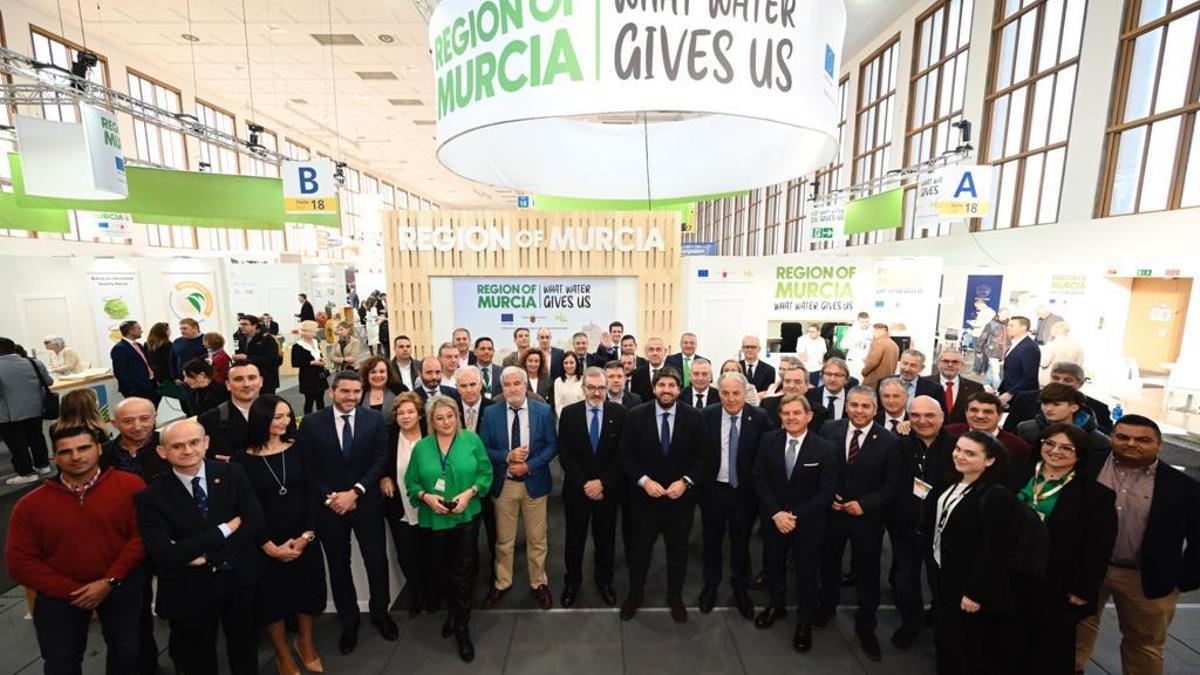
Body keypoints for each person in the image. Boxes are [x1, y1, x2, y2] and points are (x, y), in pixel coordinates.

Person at [6, 425, 147, 675]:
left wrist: (109, 581)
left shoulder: (130, 486)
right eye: (66, 451)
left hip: (120, 587)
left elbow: (140, 537)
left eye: (83, 448)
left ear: (98, 449)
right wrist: (73, 592)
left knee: (127, 653)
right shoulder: (29, 505)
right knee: (61, 664)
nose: (76, 456)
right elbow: (19, 562)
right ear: (54, 457)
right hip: (60, 598)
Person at [134, 418, 266, 675]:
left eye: (194, 442)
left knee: (245, 647)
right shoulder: (151, 497)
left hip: (238, 578)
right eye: (177, 446)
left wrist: (208, 555)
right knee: (197, 656)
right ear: (162, 452)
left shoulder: (233, 473)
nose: (187, 450)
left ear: (206, 443)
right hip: (189, 589)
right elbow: (167, 554)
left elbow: (255, 521)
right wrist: (225, 529)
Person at [1075, 414, 1200, 675]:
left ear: (1159, 444)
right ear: (1112, 438)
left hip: (1145, 579)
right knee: (1073, 634)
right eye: (1122, 437)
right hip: (1086, 571)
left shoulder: (1183, 487)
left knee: (1144, 646)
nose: (1131, 443)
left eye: (1142, 439)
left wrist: (1181, 580)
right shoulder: (1086, 467)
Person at [296, 371, 396, 654]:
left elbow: (380, 460)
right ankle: (349, 622)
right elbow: (308, 466)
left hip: (366, 504)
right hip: (329, 508)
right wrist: (332, 498)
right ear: (332, 392)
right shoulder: (312, 423)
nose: (351, 397)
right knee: (339, 567)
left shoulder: (374, 420)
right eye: (345, 391)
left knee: (376, 561)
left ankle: (381, 614)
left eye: (356, 392)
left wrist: (356, 492)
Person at [1012, 423, 1116, 675]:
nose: (1055, 451)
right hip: (1011, 576)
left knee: (1050, 650)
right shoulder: (1014, 473)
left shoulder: (1095, 495)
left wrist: (1083, 590)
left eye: (1066, 448)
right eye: (1049, 443)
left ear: (1079, 454)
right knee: (1009, 644)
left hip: (1055, 583)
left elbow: (1097, 548)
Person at [235, 396, 325, 675]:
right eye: (278, 417)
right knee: (272, 602)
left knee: (306, 594)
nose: (286, 422)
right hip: (266, 543)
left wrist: (307, 534)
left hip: (303, 536)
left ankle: (305, 642)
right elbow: (245, 507)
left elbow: (313, 492)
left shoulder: (299, 448)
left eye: (288, 416)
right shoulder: (242, 459)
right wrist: (269, 547)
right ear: (262, 419)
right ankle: (282, 654)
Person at [619, 367, 715, 623]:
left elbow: (705, 457)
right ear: (653, 388)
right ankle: (635, 594)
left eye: (672, 385)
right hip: (643, 500)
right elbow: (626, 456)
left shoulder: (694, 417)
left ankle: (675, 596)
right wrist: (644, 481)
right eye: (661, 385)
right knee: (639, 552)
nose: (666, 390)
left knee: (678, 551)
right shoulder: (636, 415)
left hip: (679, 501)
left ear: (679, 389)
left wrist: (686, 482)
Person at [404, 396, 493, 663]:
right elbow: (411, 482)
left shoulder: (472, 441)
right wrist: (426, 497)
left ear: (458, 416)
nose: (446, 422)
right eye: (439, 418)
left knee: (463, 571)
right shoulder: (422, 447)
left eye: (450, 416)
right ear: (431, 421)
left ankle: (462, 627)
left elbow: (485, 473)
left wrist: (469, 493)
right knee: (441, 570)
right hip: (435, 519)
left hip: (466, 515)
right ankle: (453, 614)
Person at [816, 386, 902, 661]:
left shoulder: (889, 441)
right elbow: (817, 467)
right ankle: (826, 607)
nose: (859, 411)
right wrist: (827, 497)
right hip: (832, 513)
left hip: (867, 518)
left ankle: (867, 626)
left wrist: (864, 504)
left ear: (875, 410)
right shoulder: (829, 429)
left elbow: (892, 486)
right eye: (854, 405)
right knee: (828, 563)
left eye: (865, 406)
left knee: (867, 572)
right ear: (847, 406)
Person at [929, 431, 1023, 675]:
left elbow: (995, 551)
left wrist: (975, 592)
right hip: (945, 573)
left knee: (966, 646)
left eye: (970, 453)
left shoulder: (996, 496)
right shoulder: (951, 480)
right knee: (947, 638)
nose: (959, 456)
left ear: (990, 460)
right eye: (958, 449)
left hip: (968, 584)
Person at [752, 394, 838, 652]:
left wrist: (794, 516)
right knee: (774, 565)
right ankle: (776, 606)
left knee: (807, 572)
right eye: (786, 413)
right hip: (774, 519)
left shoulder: (825, 449)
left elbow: (826, 492)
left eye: (796, 413)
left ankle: (804, 620)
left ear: (809, 416)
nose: (790, 417)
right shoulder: (768, 441)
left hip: (808, 523)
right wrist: (776, 513)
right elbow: (759, 478)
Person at [479, 366, 558, 609]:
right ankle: (502, 582)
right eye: (507, 385)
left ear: (525, 386)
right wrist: (507, 456)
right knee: (504, 540)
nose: (512, 388)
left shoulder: (543, 411)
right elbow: (484, 447)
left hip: (534, 483)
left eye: (517, 384)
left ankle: (539, 582)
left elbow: (551, 446)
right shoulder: (490, 413)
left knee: (537, 539)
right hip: (505, 486)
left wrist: (529, 465)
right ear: (501, 388)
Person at [698, 372, 773, 619]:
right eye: (725, 393)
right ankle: (711, 585)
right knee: (711, 542)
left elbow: (767, 455)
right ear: (718, 393)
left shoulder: (760, 418)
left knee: (741, 543)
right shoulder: (706, 416)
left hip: (744, 493)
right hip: (713, 491)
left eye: (736, 393)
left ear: (745, 393)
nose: (730, 399)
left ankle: (740, 588)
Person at [101, 396, 168, 673]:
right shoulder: (102, 455)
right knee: (133, 614)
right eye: (128, 420)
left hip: (168, 538)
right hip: (125, 542)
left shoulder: (171, 445)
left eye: (145, 418)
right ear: (114, 423)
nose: (138, 426)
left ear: (155, 418)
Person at [558, 367, 626, 607]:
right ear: (583, 388)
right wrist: (586, 483)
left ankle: (604, 581)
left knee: (605, 539)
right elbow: (564, 454)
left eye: (601, 388)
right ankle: (572, 583)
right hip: (577, 490)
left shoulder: (620, 413)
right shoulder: (569, 414)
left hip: (607, 491)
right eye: (592, 388)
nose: (597, 393)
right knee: (574, 540)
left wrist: (602, 483)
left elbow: (622, 455)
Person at [900, 396, 956, 633]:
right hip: (907, 527)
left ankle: (940, 623)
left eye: (929, 415)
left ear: (942, 417)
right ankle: (910, 625)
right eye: (915, 416)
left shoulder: (958, 447)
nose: (922, 421)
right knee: (905, 581)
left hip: (944, 530)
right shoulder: (900, 444)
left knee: (941, 582)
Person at [381, 392, 432, 616]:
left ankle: (434, 593)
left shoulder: (431, 434)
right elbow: (381, 461)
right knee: (407, 554)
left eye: (410, 411)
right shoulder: (390, 436)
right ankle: (417, 592)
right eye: (400, 413)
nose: (405, 416)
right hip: (400, 507)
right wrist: (384, 477)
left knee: (431, 552)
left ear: (420, 414)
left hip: (431, 507)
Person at [1004, 361, 1113, 435]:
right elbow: (1009, 431)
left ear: (1080, 384)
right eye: (1056, 378)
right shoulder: (1026, 399)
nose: (1060, 383)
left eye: (1067, 380)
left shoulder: (1098, 408)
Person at [0, 337, 53, 484]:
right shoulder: (33, 362)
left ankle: (26, 473)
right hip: (36, 409)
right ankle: (43, 466)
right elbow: (49, 381)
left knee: (17, 443)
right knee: (37, 437)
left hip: (9, 413)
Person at [1015, 383, 1111, 453]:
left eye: (1056, 404)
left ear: (1074, 407)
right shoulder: (1026, 429)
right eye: (1044, 403)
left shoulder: (1097, 440)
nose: (1048, 409)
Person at [946, 391, 1033, 467]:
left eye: (987, 412)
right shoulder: (948, 434)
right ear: (966, 413)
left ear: (999, 416)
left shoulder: (1017, 447)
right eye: (974, 410)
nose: (980, 416)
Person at [198, 361, 262, 462]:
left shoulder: (279, 411)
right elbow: (218, 458)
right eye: (238, 379)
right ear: (228, 385)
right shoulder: (210, 420)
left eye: (251, 378)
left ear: (261, 381)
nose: (246, 384)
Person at [924, 348, 982, 424]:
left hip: (961, 433)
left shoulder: (976, 388)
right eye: (946, 361)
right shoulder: (924, 383)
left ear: (961, 365)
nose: (950, 365)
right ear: (938, 364)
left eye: (955, 362)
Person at [765, 364, 828, 430]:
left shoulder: (818, 411)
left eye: (797, 382)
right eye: (787, 381)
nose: (791, 386)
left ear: (806, 386)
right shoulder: (767, 404)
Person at [111, 321, 158, 404]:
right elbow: (120, 372)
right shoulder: (120, 348)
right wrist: (132, 390)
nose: (141, 331)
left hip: (150, 385)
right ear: (130, 331)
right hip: (137, 390)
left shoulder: (139, 345)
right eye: (139, 328)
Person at [234, 315, 281, 395]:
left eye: (245, 324)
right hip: (249, 377)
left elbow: (273, 359)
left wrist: (248, 357)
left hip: (266, 378)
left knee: (267, 403)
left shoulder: (267, 338)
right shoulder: (241, 338)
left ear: (254, 325)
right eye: (240, 324)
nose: (242, 327)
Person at [999, 315, 1041, 406]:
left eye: (1012, 325)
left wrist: (1010, 393)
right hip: (1010, 393)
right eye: (1008, 325)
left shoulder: (1029, 347)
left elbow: (1030, 377)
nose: (1008, 328)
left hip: (1020, 397)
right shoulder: (1016, 343)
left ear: (1023, 328)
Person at [290, 320, 328, 414]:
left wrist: (323, 360)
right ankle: (307, 421)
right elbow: (295, 363)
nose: (316, 332)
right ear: (308, 331)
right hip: (307, 377)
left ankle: (322, 420)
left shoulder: (315, 342)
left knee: (321, 400)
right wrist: (312, 362)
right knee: (309, 401)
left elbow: (319, 355)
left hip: (319, 375)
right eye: (314, 330)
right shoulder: (297, 346)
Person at [807, 357, 852, 421]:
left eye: (838, 375)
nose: (832, 379)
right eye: (829, 374)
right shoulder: (809, 396)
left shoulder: (852, 398)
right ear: (822, 376)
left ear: (846, 378)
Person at [1039, 322, 1084, 386]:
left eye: (1052, 329)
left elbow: (1044, 363)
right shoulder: (1077, 346)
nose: (1050, 331)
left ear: (1056, 330)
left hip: (1050, 382)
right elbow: (1079, 367)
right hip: (1068, 383)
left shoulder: (1052, 344)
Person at [979, 307, 1011, 390]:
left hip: (1003, 351)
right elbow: (983, 336)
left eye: (1007, 314)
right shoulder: (991, 324)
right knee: (995, 370)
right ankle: (999, 389)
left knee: (992, 369)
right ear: (999, 313)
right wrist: (979, 349)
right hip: (992, 350)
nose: (1006, 315)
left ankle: (985, 384)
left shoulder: (1008, 325)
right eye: (1004, 313)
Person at [860, 324, 899, 389]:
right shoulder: (894, 345)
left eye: (873, 332)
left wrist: (863, 372)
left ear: (878, 332)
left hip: (873, 382)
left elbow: (873, 362)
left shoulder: (878, 343)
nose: (873, 334)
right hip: (887, 382)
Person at [170, 319, 206, 388]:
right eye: (180, 329)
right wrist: (175, 378)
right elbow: (172, 361)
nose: (182, 331)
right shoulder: (177, 342)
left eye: (185, 328)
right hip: (182, 382)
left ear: (195, 328)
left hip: (201, 381)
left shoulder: (206, 340)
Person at [144, 322, 174, 400]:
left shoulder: (146, 345)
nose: (170, 332)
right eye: (168, 330)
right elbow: (169, 363)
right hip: (167, 377)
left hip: (153, 378)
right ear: (163, 332)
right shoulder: (168, 345)